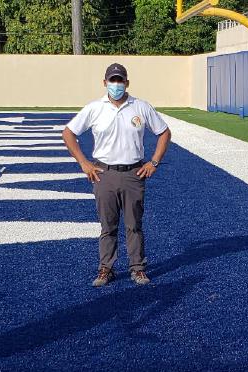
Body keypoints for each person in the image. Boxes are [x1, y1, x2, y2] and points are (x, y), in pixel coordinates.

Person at [62, 63, 171, 287]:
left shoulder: (140, 107)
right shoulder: (94, 108)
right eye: (112, 81)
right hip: (104, 174)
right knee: (107, 226)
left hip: (133, 173)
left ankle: (138, 268)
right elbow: (68, 133)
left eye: (120, 80)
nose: (116, 85)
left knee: (134, 225)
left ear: (127, 83)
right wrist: (84, 163)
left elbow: (164, 132)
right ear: (105, 83)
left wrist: (154, 162)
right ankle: (106, 268)